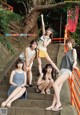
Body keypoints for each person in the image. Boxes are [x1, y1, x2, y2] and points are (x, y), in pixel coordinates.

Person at [46, 38, 78, 111]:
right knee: (58, 88)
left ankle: (58, 103)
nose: (68, 44)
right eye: (67, 43)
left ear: (72, 43)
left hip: (67, 71)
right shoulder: (67, 52)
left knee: (54, 85)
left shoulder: (73, 50)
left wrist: (74, 65)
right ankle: (53, 105)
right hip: (61, 71)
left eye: (69, 43)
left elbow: (75, 60)